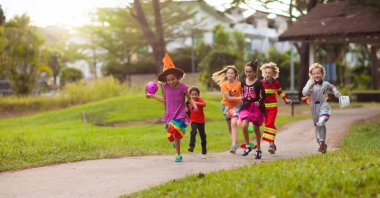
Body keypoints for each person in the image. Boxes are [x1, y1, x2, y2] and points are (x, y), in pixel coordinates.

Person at [146, 53, 198, 162]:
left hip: (180, 113)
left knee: (175, 132)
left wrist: (194, 105)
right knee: (171, 133)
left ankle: (178, 154)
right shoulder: (166, 87)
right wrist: (153, 96)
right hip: (170, 114)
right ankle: (175, 139)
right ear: (165, 80)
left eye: (173, 79)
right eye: (168, 80)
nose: (171, 81)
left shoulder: (183, 87)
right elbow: (165, 100)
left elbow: (189, 98)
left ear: (177, 77)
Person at [302, 63, 341, 154]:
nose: (316, 75)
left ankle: (322, 121)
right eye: (314, 73)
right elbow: (304, 93)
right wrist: (309, 88)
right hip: (313, 107)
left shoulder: (325, 83)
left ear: (322, 74)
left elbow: (332, 87)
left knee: (322, 120)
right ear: (311, 75)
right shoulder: (309, 83)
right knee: (318, 128)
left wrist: (336, 92)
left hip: (324, 104)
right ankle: (322, 145)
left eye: (318, 73)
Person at [260, 62, 292, 154]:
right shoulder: (261, 83)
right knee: (268, 125)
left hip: (273, 107)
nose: (267, 74)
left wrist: (285, 99)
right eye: (266, 73)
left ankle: (270, 144)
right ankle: (272, 144)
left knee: (270, 123)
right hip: (263, 108)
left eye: (269, 73)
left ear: (274, 74)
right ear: (263, 73)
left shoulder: (276, 83)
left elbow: (280, 92)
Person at [238, 60, 266, 159]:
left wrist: (260, 101)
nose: (248, 73)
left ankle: (258, 149)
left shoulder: (258, 83)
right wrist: (241, 99)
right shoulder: (243, 82)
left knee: (255, 128)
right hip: (245, 107)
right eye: (246, 71)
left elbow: (264, 95)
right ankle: (247, 145)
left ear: (255, 72)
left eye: (250, 71)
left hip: (255, 108)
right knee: (244, 125)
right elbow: (241, 93)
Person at [211, 65, 242, 153]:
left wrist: (242, 99)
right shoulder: (224, 85)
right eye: (228, 73)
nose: (230, 74)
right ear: (226, 75)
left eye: (232, 73)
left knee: (233, 123)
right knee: (229, 125)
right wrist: (241, 98)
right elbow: (228, 98)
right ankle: (234, 140)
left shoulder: (239, 84)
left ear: (235, 75)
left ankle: (234, 145)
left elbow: (243, 95)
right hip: (226, 106)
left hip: (236, 106)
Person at [187, 87, 207, 155]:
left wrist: (196, 103)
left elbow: (204, 104)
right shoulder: (189, 101)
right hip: (193, 120)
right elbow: (185, 108)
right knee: (193, 132)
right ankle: (191, 146)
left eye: (196, 94)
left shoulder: (199, 100)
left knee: (203, 135)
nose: (194, 96)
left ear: (198, 95)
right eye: (192, 95)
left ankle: (204, 148)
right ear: (190, 95)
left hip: (201, 121)